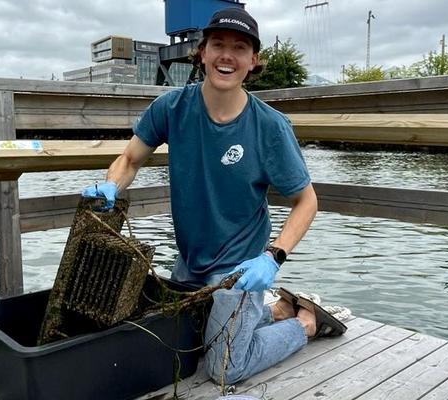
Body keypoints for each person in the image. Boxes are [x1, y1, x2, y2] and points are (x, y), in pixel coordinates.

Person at [81, 7, 345, 385]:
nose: (227, 55)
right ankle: (278, 310)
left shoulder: (270, 127)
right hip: (189, 261)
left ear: (253, 61)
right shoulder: (171, 108)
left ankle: (304, 323)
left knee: (223, 367)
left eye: (240, 48)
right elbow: (129, 159)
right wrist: (112, 185)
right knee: (179, 342)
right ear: (202, 53)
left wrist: (272, 257)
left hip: (239, 268)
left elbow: (307, 201)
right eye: (218, 44)